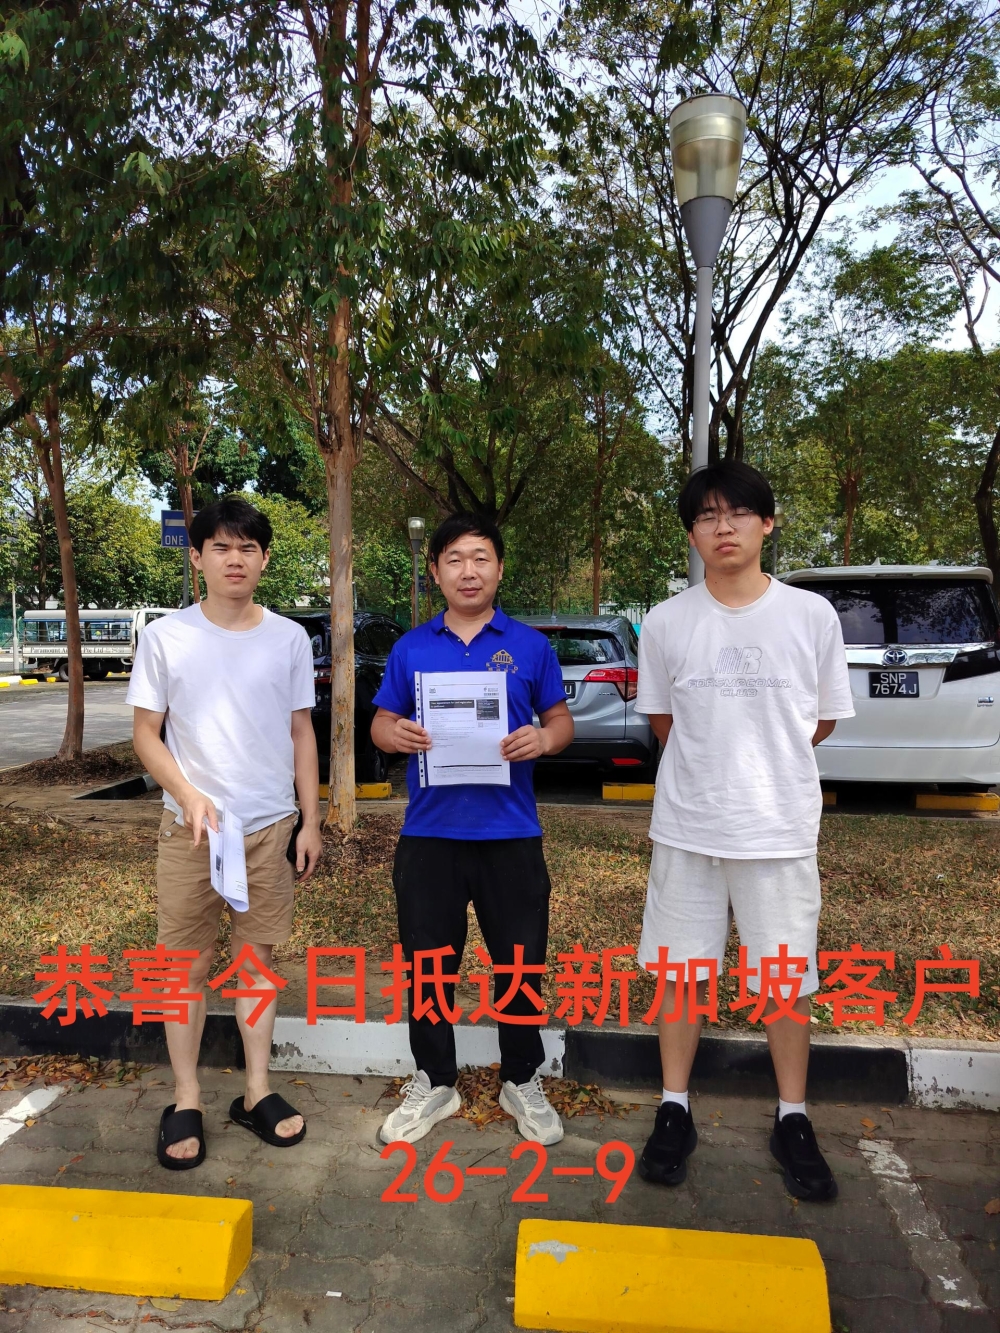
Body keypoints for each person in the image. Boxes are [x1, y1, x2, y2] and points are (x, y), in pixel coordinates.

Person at [634, 461, 854, 1201]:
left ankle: (793, 1116)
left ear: (768, 522)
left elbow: (819, 720)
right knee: (680, 972)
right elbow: (663, 720)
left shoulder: (810, 616)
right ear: (692, 532)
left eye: (737, 513)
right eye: (706, 516)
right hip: (689, 825)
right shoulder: (666, 621)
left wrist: (762, 762)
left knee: (785, 977)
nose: (722, 527)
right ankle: (674, 1107)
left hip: (778, 829)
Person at [128, 497, 322, 1169]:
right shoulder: (165, 637)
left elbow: (302, 733)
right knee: (184, 965)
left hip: (268, 827)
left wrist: (310, 820)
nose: (234, 559)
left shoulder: (289, 639)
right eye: (221, 547)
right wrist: (188, 795)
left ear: (264, 559)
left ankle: (256, 1089)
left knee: (256, 964)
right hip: (191, 832)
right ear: (197, 556)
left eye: (247, 548)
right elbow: (145, 734)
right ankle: (186, 1098)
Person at [370, 512, 574, 1146]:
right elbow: (379, 723)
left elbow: (560, 721)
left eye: (480, 558)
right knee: (429, 965)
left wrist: (544, 739)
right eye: (454, 559)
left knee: (519, 964)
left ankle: (522, 1078)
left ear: (499, 569)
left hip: (510, 834)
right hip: (430, 836)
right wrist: (395, 734)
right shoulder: (411, 648)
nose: (468, 571)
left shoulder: (530, 647)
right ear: (435, 572)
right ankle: (435, 1081)